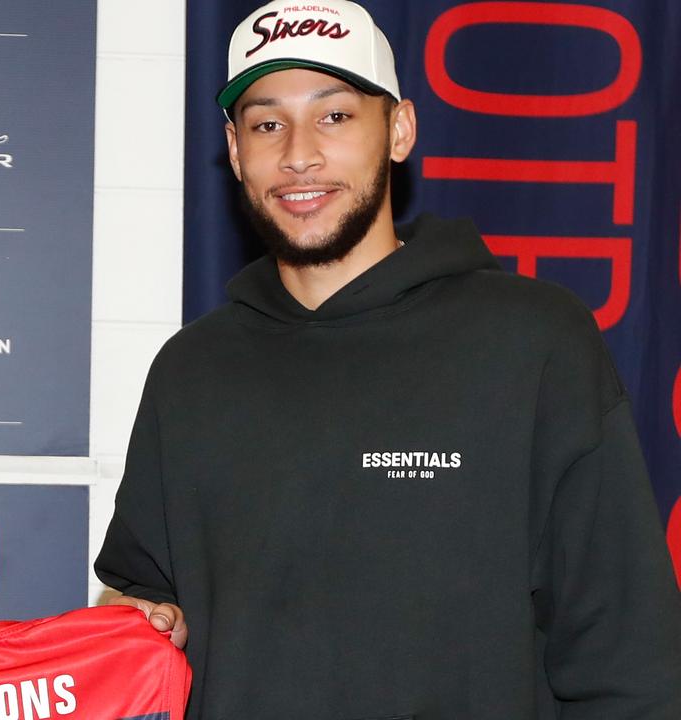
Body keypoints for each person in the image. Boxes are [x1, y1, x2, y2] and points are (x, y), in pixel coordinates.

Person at [94, 1, 681, 718]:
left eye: (334, 115)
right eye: (266, 123)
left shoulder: (532, 342)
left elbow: (628, 657)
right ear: (235, 147)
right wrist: (140, 617)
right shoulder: (191, 369)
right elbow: (140, 599)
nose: (298, 153)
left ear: (399, 129)